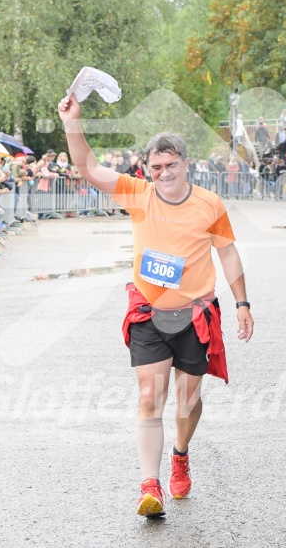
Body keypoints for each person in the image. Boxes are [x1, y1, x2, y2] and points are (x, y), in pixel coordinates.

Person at [58, 93, 254, 518]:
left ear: (187, 163)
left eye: (171, 165)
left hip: (195, 313)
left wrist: (242, 302)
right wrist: (73, 122)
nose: (164, 173)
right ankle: (150, 485)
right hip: (147, 309)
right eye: (156, 167)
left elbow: (229, 254)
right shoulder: (138, 194)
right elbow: (88, 167)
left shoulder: (209, 204)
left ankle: (180, 454)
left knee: (187, 402)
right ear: (148, 168)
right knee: (150, 396)